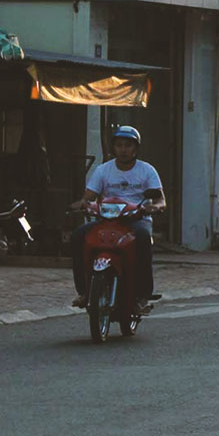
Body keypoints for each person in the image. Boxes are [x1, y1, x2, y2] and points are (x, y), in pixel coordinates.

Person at [71, 126, 164, 311]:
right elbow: (89, 196)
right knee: (78, 236)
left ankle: (143, 294)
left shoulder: (147, 170)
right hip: (107, 220)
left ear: (136, 148)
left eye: (128, 145)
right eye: (119, 145)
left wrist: (154, 207)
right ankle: (84, 291)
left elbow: (161, 200)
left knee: (143, 238)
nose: (123, 150)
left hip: (136, 219)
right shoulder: (103, 170)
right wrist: (83, 203)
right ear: (114, 148)